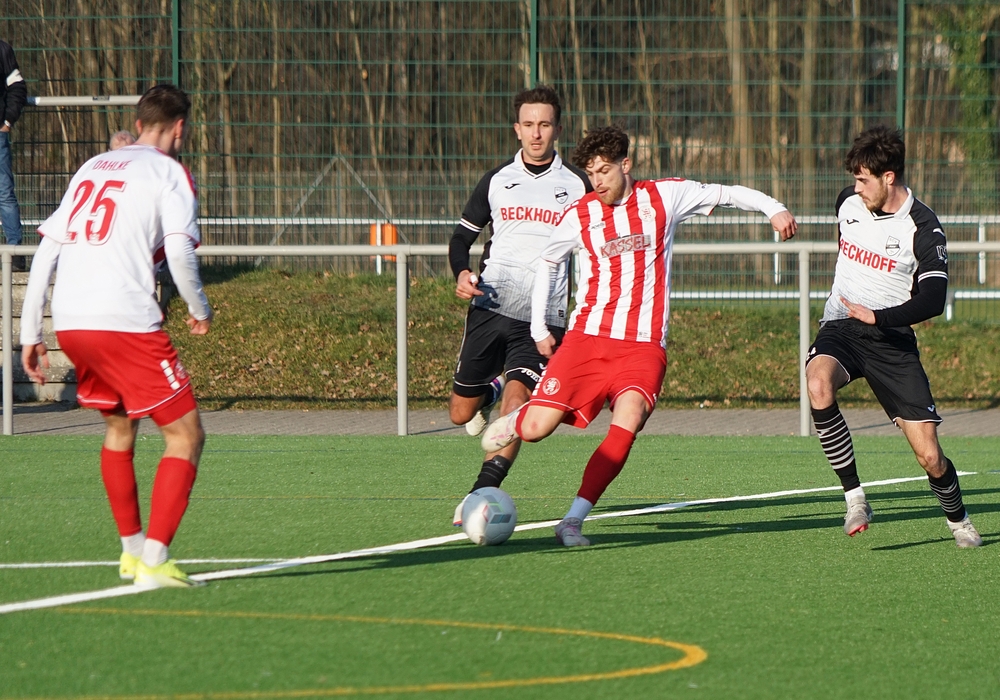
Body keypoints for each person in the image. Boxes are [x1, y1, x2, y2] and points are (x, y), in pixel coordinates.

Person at [482, 125, 797, 545]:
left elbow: (725, 193)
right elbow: (549, 262)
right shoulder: (580, 213)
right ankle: (517, 419)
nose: (597, 182)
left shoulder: (664, 197)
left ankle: (572, 520)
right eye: (591, 174)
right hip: (587, 340)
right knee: (537, 429)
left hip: (643, 346)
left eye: (604, 171)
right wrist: (539, 327)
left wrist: (773, 208)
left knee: (629, 420)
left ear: (625, 165)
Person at [20, 84, 214, 587]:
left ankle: (131, 553)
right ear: (179, 127)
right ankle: (154, 560)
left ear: (140, 122)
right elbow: (179, 250)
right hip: (123, 319)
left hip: (73, 320)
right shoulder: (169, 172)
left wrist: (30, 330)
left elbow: (47, 251)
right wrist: (199, 307)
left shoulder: (93, 166)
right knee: (186, 435)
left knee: (120, 428)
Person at [805, 125, 981, 547]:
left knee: (930, 456)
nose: (856, 188)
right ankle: (855, 498)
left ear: (889, 177)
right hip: (841, 327)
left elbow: (933, 300)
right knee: (818, 383)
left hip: (891, 339)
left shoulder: (923, 226)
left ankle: (958, 520)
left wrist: (879, 316)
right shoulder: (847, 203)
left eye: (864, 179)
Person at [448, 85, 591, 525]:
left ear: (558, 129)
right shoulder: (496, 180)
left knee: (517, 405)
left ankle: (480, 493)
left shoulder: (578, 184)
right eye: (528, 124)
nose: (536, 133)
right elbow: (461, 238)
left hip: (543, 318)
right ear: (516, 129)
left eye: (544, 124)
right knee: (460, 412)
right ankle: (487, 391)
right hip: (490, 307)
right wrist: (461, 273)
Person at [1, 39, 26, 271]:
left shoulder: (2, 50)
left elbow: (17, 85)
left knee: (4, 193)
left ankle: (15, 253)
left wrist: (7, 120)